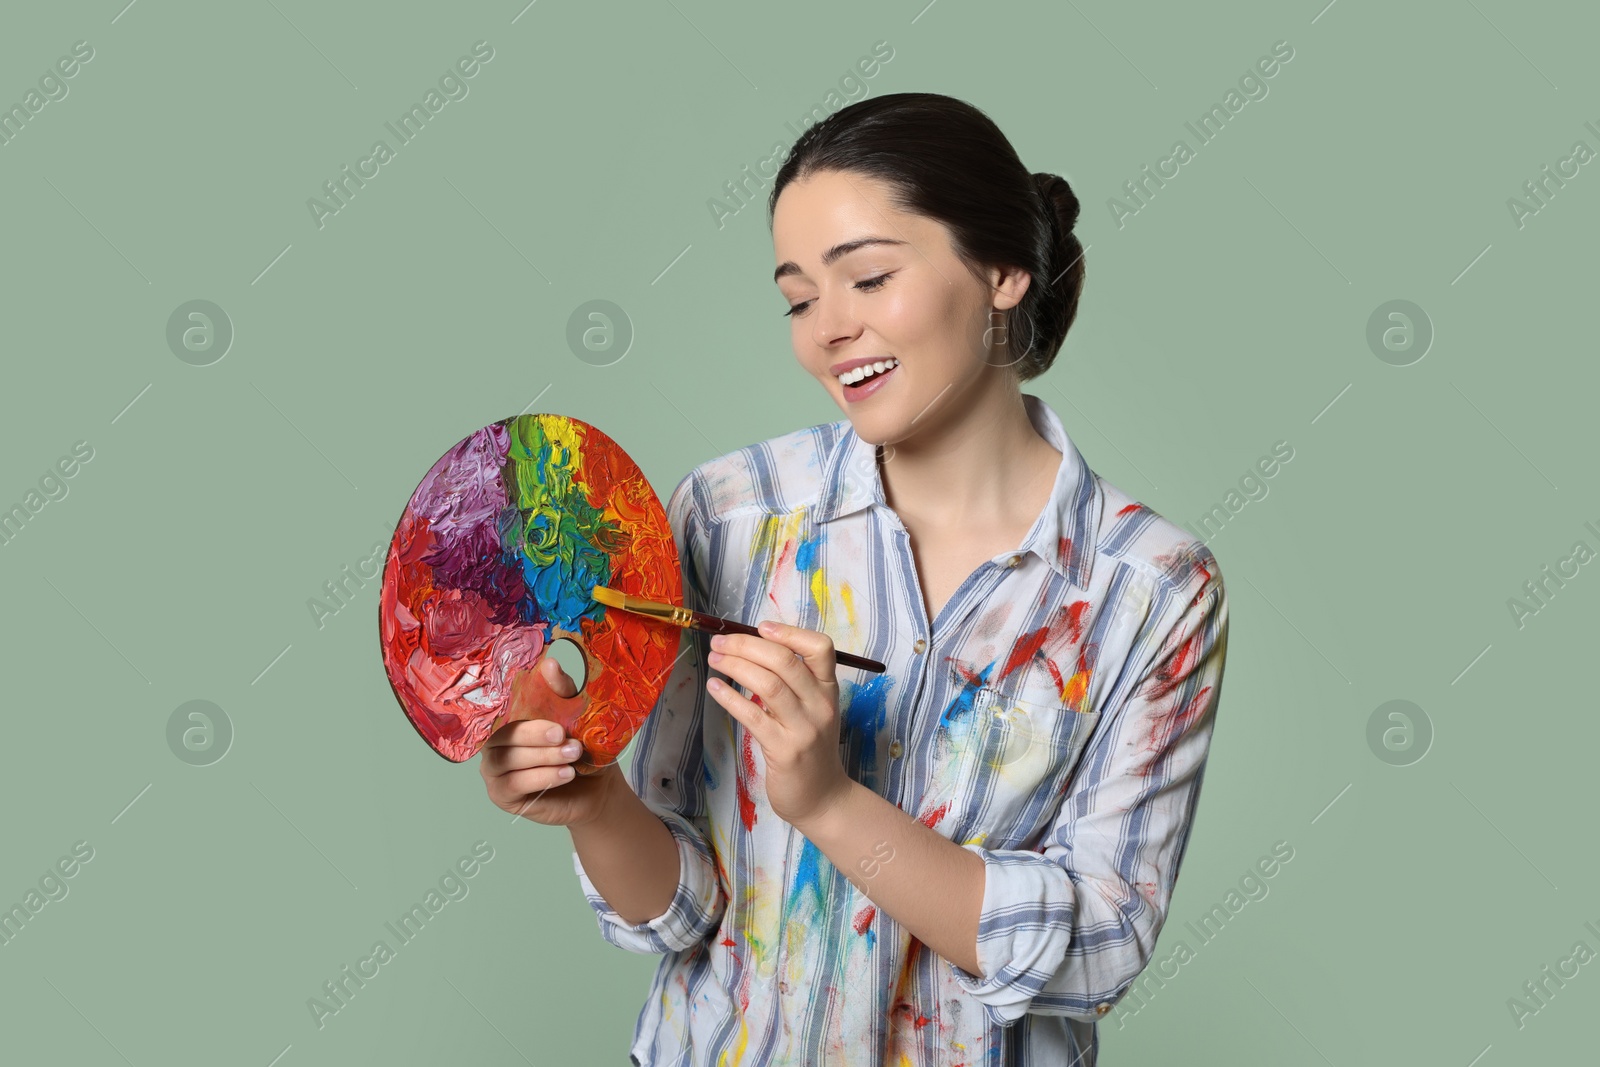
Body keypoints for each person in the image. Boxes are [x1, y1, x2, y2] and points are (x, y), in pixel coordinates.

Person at [479, 92, 1229, 1066]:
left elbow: (1098, 948)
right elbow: (679, 911)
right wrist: (592, 802)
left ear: (1003, 271)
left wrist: (829, 801)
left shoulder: (1151, 590)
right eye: (798, 297)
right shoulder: (728, 514)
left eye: (867, 277)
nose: (826, 329)